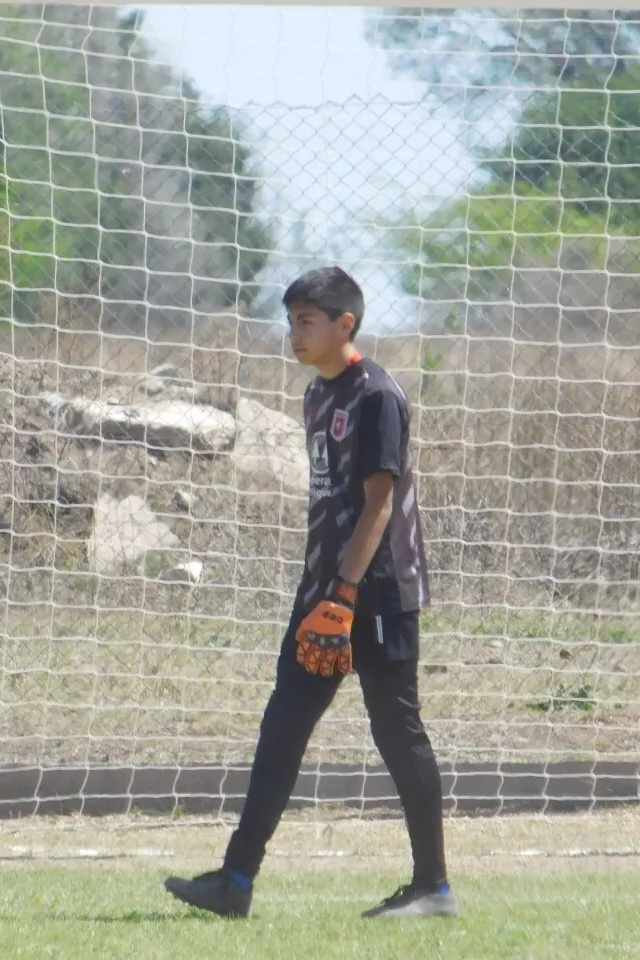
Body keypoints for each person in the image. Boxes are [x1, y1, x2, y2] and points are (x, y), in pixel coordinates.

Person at [164, 266, 455, 920]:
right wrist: (321, 591)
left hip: (375, 591)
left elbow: (380, 506)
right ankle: (234, 881)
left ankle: (433, 888)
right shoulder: (317, 397)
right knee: (283, 724)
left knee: (396, 729)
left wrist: (346, 592)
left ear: (343, 324)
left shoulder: (377, 395)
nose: (294, 333)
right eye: (290, 320)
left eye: (306, 321)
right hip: (323, 590)